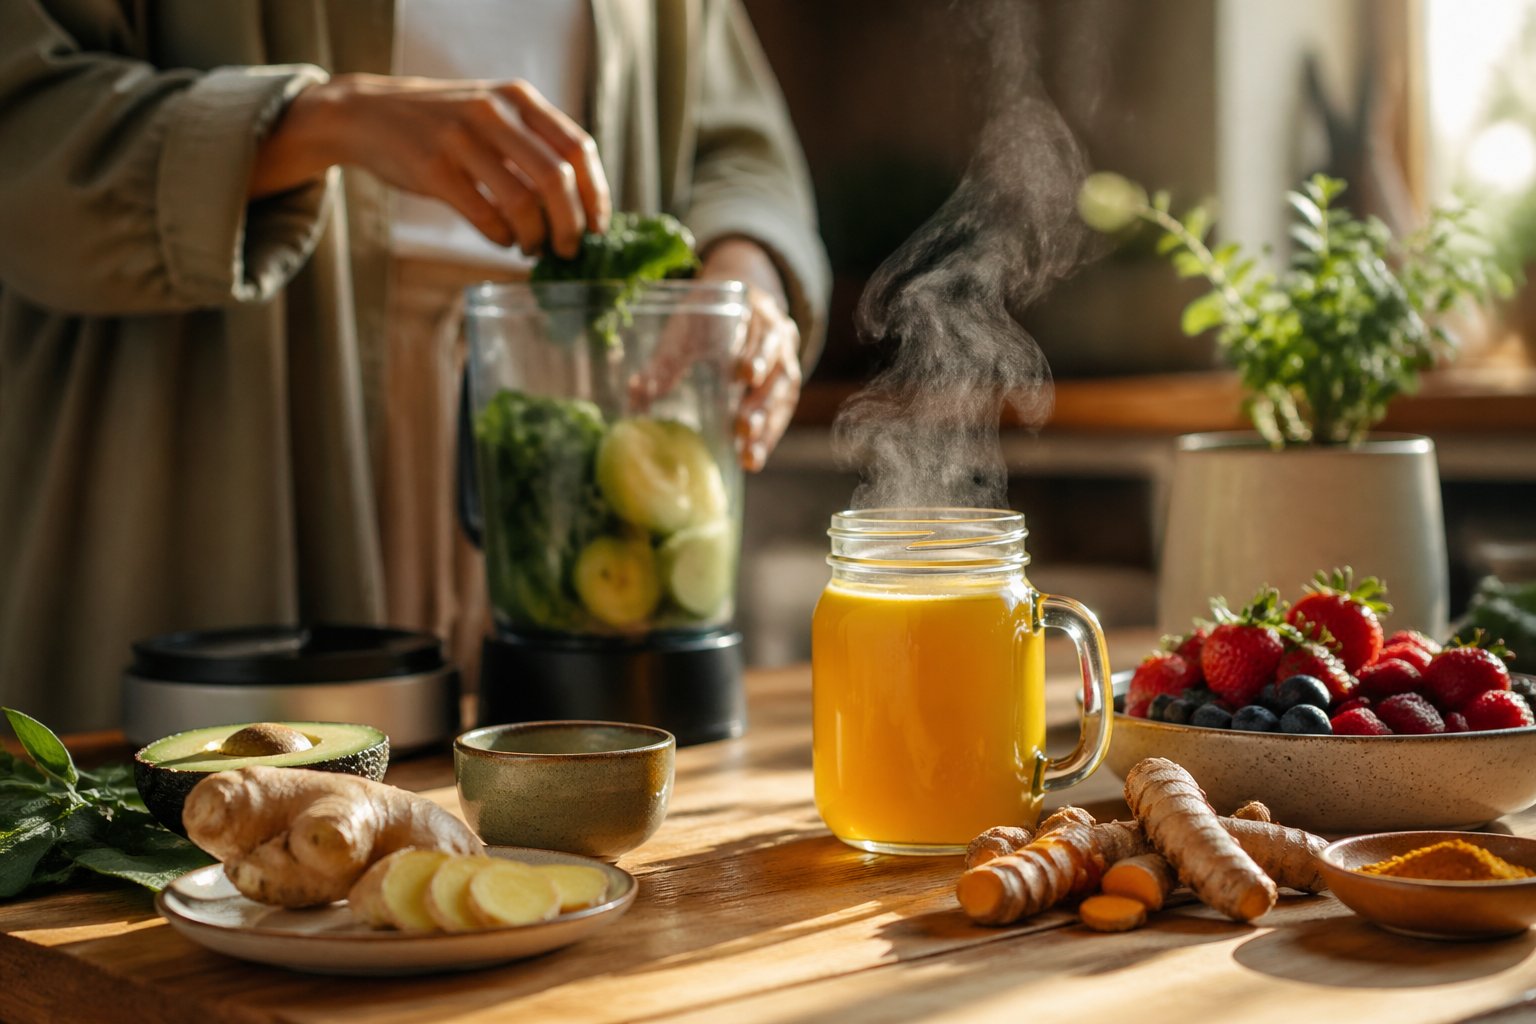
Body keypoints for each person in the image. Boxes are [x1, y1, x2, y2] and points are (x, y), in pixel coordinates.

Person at [0, 0, 830, 731]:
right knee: (220, 853)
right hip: (227, 434)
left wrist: (747, 275)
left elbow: (738, 149)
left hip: (566, 435)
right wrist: (323, 119)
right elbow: (24, 134)